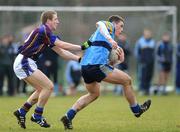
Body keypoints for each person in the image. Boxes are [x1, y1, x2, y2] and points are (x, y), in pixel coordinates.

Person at [60, 15, 151, 130]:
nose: (122, 29)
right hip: (96, 66)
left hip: (85, 67)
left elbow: (105, 62)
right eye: (121, 26)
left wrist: (118, 60)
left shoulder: (97, 37)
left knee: (94, 94)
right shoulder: (108, 26)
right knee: (127, 80)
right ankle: (136, 110)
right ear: (114, 23)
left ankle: (68, 116)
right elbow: (100, 23)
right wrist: (110, 39)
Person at [13, 10, 87, 129]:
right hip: (24, 61)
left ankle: (21, 111)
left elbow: (62, 52)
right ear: (48, 21)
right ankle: (37, 115)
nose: (58, 21)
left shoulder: (46, 34)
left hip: (25, 62)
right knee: (49, 87)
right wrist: (83, 46)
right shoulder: (44, 30)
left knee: (41, 89)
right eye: (55, 19)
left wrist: (79, 59)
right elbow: (63, 45)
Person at [134, 28, 156, 95]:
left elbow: (155, 52)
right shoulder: (140, 41)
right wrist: (140, 59)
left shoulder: (153, 42)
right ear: (144, 34)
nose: (147, 34)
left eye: (149, 33)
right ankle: (142, 89)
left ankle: (147, 89)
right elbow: (136, 52)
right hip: (142, 62)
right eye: (146, 33)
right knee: (142, 76)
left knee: (149, 76)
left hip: (151, 62)